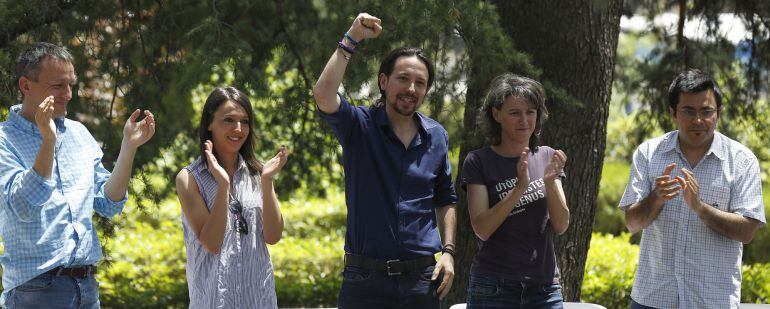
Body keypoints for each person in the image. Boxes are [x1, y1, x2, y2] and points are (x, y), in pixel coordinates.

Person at [313, 13, 458, 308]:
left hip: (422, 280)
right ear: (384, 81)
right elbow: (324, 97)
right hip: (364, 280)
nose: (411, 89)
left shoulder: (437, 136)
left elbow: (445, 199)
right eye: (403, 79)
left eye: (420, 83)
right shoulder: (360, 125)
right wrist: (351, 38)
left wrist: (449, 252)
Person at [0, 42, 156, 308]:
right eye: (58, 86)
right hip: (37, 291)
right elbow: (23, 205)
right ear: (26, 86)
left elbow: (108, 204)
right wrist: (47, 141)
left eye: (71, 84)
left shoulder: (79, 134)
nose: (69, 94)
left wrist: (128, 148)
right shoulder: (4, 140)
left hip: (87, 288)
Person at [619, 69, 766, 308]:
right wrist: (656, 197)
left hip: (712, 300)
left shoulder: (742, 161)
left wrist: (700, 208)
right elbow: (632, 223)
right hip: (653, 298)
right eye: (688, 111)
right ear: (673, 113)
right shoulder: (648, 154)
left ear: (719, 113)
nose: (698, 120)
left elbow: (747, 232)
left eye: (706, 111)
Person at [461, 73, 569, 309]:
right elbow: (482, 229)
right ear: (496, 114)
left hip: (544, 289)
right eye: (514, 113)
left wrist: (550, 183)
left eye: (530, 112)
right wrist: (519, 189)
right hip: (493, 287)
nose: (524, 120)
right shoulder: (478, 161)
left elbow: (561, 225)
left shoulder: (547, 156)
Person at [176, 86, 287, 308]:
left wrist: (267, 182)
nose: (238, 129)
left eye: (244, 121)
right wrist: (223, 184)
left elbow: (273, 236)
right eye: (228, 120)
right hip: (213, 301)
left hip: (259, 300)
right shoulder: (189, 179)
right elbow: (212, 242)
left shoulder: (259, 174)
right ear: (209, 124)